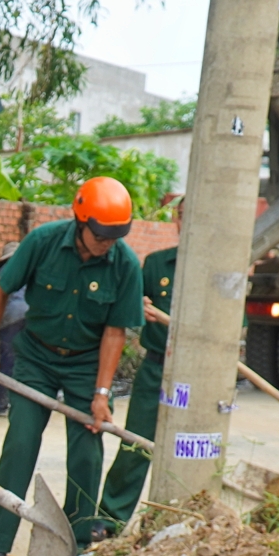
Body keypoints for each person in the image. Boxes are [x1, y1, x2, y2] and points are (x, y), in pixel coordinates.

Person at [0, 176, 143, 556]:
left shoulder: (125, 264)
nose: (107, 244)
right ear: (81, 220)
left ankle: (77, 539)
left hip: (86, 364)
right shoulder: (43, 242)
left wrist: (101, 392)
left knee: (87, 450)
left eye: (115, 236)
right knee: (21, 442)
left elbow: (115, 333)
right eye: (101, 235)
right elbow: (0, 290)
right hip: (36, 359)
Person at [96, 201, 180, 533]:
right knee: (136, 445)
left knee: (189, 451)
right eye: (185, 216)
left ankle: (176, 521)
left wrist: (164, 317)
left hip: (198, 377)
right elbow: (132, 306)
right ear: (177, 218)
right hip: (156, 369)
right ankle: (109, 519)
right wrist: (142, 306)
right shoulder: (157, 263)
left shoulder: (218, 269)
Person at [0, 240, 27, 417]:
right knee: (26, 362)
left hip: (11, 318)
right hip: (32, 316)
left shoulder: (4, 271)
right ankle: (24, 406)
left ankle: (0, 404)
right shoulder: (28, 269)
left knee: (8, 361)